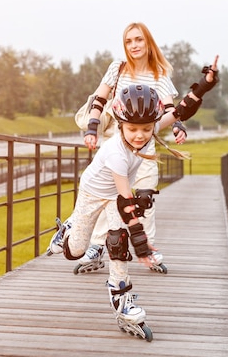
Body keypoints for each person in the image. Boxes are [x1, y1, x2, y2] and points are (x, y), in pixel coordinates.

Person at [47, 76, 218, 340]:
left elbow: (181, 110)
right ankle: (67, 230)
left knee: (117, 241)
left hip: (115, 195)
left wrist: (204, 85)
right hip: (93, 192)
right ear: (120, 125)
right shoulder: (116, 152)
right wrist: (144, 248)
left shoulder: (148, 129)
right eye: (133, 130)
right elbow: (128, 203)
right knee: (75, 252)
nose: (140, 136)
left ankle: (123, 301)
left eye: (147, 129)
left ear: (152, 125)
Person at [74, 22, 190, 275]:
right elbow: (99, 99)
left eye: (139, 40)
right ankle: (96, 246)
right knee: (111, 197)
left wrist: (178, 126)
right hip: (117, 144)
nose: (134, 45)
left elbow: (170, 109)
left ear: (148, 42)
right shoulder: (118, 69)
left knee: (144, 199)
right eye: (129, 41)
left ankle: (148, 247)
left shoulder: (160, 74)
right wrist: (92, 127)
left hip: (146, 145)